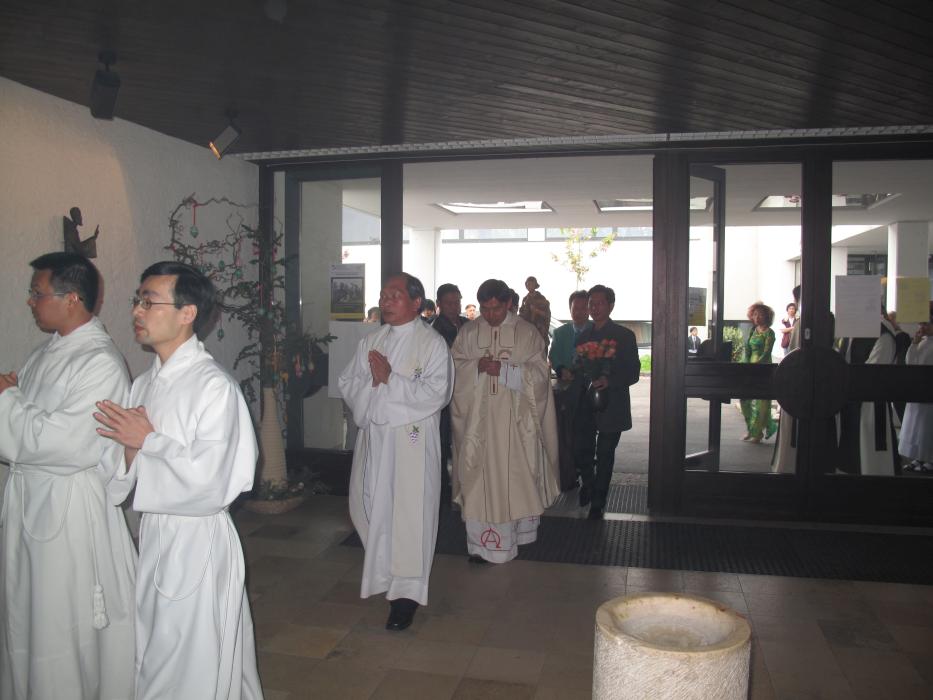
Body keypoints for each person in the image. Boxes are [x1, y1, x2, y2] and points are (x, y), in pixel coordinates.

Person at [93, 261, 262, 699]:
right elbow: (118, 480)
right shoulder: (143, 385)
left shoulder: (214, 387)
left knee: (193, 659)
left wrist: (149, 441)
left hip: (197, 540)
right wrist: (131, 451)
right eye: (137, 300)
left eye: (149, 302)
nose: (137, 311)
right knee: (155, 646)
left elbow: (216, 482)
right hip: (155, 536)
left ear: (187, 313)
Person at [0, 252, 135, 700]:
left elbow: (65, 443)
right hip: (31, 502)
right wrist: (13, 398)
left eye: (37, 293)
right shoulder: (46, 353)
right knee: (29, 614)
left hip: (67, 511)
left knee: (59, 621)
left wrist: (7, 400)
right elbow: (27, 422)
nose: (30, 301)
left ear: (72, 298)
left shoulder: (99, 362)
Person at [338, 273, 452, 631]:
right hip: (376, 440)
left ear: (417, 303)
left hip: (412, 443)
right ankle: (384, 575)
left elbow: (438, 393)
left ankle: (406, 596)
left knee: (410, 514)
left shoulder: (432, 344)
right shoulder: (372, 341)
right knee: (371, 507)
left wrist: (390, 379)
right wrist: (373, 384)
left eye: (394, 295)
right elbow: (348, 382)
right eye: (383, 295)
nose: (385, 301)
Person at [450, 279, 559, 563]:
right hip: (477, 427)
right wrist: (476, 366)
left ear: (509, 303)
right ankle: (479, 547)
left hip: (515, 425)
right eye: (485, 309)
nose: (490, 315)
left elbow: (541, 375)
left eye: (496, 309)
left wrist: (508, 371)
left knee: (515, 480)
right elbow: (453, 369)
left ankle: (517, 538)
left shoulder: (527, 333)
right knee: (477, 481)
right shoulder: (468, 332)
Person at [573, 284, 641, 519]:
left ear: (611, 305)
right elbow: (579, 367)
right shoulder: (583, 336)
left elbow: (633, 372)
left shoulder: (624, 336)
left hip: (613, 405)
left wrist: (608, 380)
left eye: (599, 303)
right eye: (591, 304)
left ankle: (598, 501)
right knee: (582, 449)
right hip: (586, 403)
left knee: (605, 453)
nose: (594, 308)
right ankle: (589, 483)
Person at [548, 290, 592, 491]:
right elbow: (554, 355)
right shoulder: (561, 332)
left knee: (587, 432)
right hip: (568, 389)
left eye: (583, 308)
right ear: (570, 308)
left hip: (589, 390)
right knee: (568, 430)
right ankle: (571, 471)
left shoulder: (595, 330)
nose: (579, 312)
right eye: (576, 308)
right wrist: (561, 369)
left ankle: (587, 470)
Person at [431, 283, 468, 504]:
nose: (454, 307)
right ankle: (443, 493)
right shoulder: (434, 330)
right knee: (443, 443)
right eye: (449, 303)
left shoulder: (468, 325)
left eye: (457, 302)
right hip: (444, 395)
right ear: (439, 304)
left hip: (467, 392)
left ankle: (465, 486)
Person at [901, 302, 933, 473]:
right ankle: (918, 457)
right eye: (921, 324)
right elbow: (910, 362)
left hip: (929, 390)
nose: (922, 327)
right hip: (918, 388)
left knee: (927, 426)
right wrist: (914, 344)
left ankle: (930, 458)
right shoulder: (923, 342)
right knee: (916, 426)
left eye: (926, 324)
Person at [740, 302, 778, 444]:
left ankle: (757, 433)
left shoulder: (770, 333)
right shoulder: (752, 330)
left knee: (761, 403)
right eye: (754, 314)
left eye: (759, 314)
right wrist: (744, 366)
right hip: (750, 368)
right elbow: (747, 350)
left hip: (763, 369)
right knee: (744, 400)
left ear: (766, 316)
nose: (756, 317)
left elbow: (766, 353)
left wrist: (756, 366)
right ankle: (751, 429)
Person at [518, 275, 551, 349]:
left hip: (540, 333)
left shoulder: (541, 298)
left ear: (535, 285)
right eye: (527, 284)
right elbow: (521, 314)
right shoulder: (525, 299)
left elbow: (547, 315)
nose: (529, 286)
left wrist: (537, 311)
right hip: (528, 334)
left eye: (531, 284)